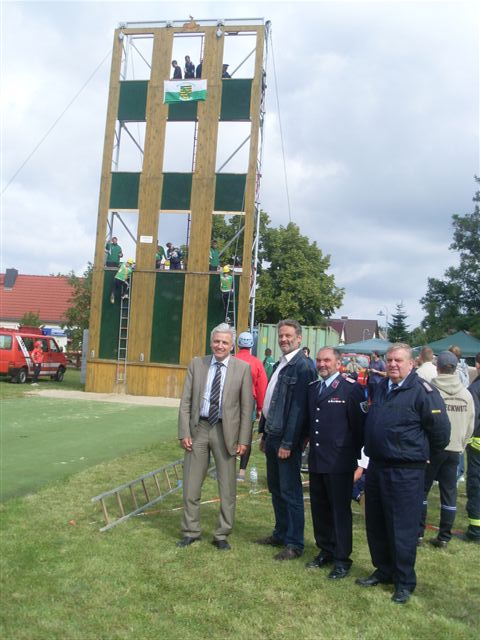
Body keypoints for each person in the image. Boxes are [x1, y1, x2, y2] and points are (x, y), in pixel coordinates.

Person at [356, 343, 450, 605]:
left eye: (398, 360)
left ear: (412, 363)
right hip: (378, 467)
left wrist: (423, 457)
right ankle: (384, 569)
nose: (393, 364)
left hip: (405, 471)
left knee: (402, 528)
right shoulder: (383, 388)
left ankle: (404, 580)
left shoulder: (422, 392)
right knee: (376, 523)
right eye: (389, 360)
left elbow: (440, 433)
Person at [176, 323, 253, 550]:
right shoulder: (197, 364)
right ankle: (191, 531)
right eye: (216, 341)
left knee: (227, 487)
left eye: (225, 342)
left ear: (232, 345)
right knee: (191, 485)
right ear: (211, 342)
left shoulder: (242, 369)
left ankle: (221, 534)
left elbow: (247, 407)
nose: (220, 346)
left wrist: (244, 439)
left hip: (225, 432)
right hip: (198, 429)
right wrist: (184, 432)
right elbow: (185, 401)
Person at [256, 319, 317, 560]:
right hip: (273, 434)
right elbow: (271, 401)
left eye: (289, 335)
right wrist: (263, 432)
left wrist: (289, 443)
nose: (284, 339)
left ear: (299, 338)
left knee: (290, 491)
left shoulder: (303, 367)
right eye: (281, 335)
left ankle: (294, 543)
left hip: (286, 439)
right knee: (276, 488)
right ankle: (280, 533)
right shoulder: (280, 364)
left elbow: (300, 410)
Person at [305, 347, 366, 579]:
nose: (322, 364)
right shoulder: (313, 389)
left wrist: (356, 461)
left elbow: (359, 428)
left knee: (340, 512)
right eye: (319, 360)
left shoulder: (351, 389)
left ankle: (342, 558)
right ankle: (326, 550)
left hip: (340, 461)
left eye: (327, 360)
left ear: (338, 363)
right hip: (317, 460)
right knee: (319, 508)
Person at [418, 351, 474, 548]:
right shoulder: (466, 394)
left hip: (433, 449)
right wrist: (461, 444)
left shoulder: (431, 391)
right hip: (455, 449)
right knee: (449, 493)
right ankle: (444, 536)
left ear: (438, 367)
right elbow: (470, 425)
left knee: (422, 490)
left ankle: (418, 533)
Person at [235, 332, 268, 481]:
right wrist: (260, 407)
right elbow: (262, 387)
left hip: (231, 402)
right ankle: (242, 472)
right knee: (246, 437)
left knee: (228, 434)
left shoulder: (231, 360)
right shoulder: (256, 363)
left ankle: (227, 467)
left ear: (238, 343)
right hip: (249, 403)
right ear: (251, 345)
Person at [463, 352, 480, 543]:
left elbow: (473, 418)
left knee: (476, 485)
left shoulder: (476, 388)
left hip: (477, 445)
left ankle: (475, 529)